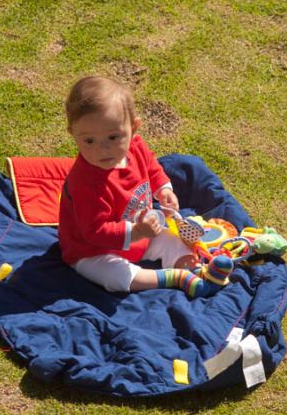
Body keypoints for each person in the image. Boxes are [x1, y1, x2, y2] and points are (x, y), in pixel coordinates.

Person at [58, 76, 232, 297]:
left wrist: (164, 189)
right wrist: (137, 232)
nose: (102, 149)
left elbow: (152, 167)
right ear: (72, 133)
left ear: (133, 128)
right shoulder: (84, 183)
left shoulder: (136, 148)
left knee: (173, 240)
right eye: (89, 141)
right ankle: (174, 278)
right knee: (116, 275)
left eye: (113, 137)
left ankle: (197, 271)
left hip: (142, 229)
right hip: (92, 250)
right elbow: (95, 232)